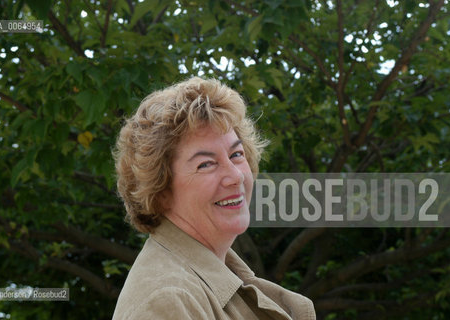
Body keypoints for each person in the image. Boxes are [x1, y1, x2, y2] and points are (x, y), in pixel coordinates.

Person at [112, 77, 316, 319]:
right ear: (161, 191)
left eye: (236, 154)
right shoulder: (167, 302)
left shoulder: (209, 279)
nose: (235, 176)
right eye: (206, 164)